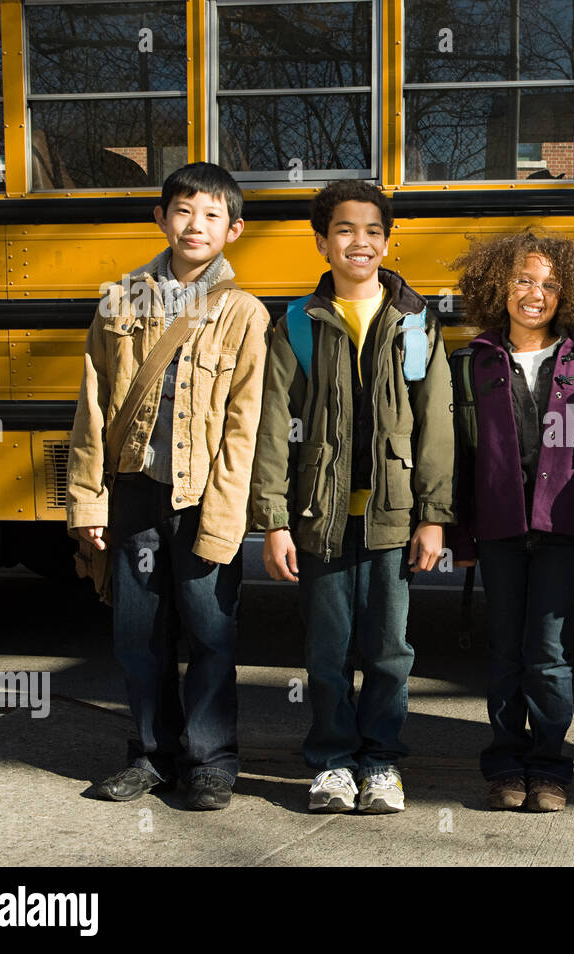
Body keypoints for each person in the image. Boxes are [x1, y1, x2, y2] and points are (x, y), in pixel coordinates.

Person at [68, 162, 269, 811]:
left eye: (212, 214)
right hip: (133, 494)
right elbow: (93, 407)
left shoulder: (244, 314)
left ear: (233, 230)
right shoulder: (120, 301)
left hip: (202, 497)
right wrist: (88, 502)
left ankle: (211, 761)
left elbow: (245, 424)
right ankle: (152, 755)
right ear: (161, 217)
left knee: (210, 633)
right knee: (136, 633)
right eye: (184, 210)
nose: (196, 224)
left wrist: (227, 515)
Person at [251, 181, 455, 813]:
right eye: (344, 230)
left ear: (388, 242)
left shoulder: (416, 322)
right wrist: (275, 522)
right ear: (321, 242)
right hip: (322, 516)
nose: (358, 242)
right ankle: (334, 761)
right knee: (327, 647)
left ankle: (381, 763)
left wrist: (434, 515)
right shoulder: (297, 323)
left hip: (394, 517)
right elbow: (270, 422)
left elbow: (436, 420)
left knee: (391, 650)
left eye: (371, 231)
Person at [445, 231, 574, 813]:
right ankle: (504, 767)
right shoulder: (469, 363)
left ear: (567, 295)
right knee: (503, 650)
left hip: (565, 530)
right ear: (498, 284)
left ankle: (548, 768)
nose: (535, 293)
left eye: (550, 284)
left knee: (546, 652)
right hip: (497, 526)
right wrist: (458, 532)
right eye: (523, 279)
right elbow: (456, 454)